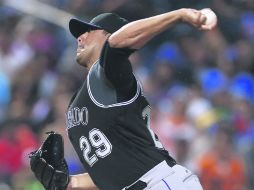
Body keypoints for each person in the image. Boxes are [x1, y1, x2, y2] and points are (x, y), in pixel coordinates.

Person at [31, 8, 216, 190]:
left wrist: (179, 15)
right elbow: (108, 173)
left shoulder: (108, 76)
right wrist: (69, 183)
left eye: (89, 31)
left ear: (110, 36)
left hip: (158, 181)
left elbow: (117, 44)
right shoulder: (78, 101)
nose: (80, 37)